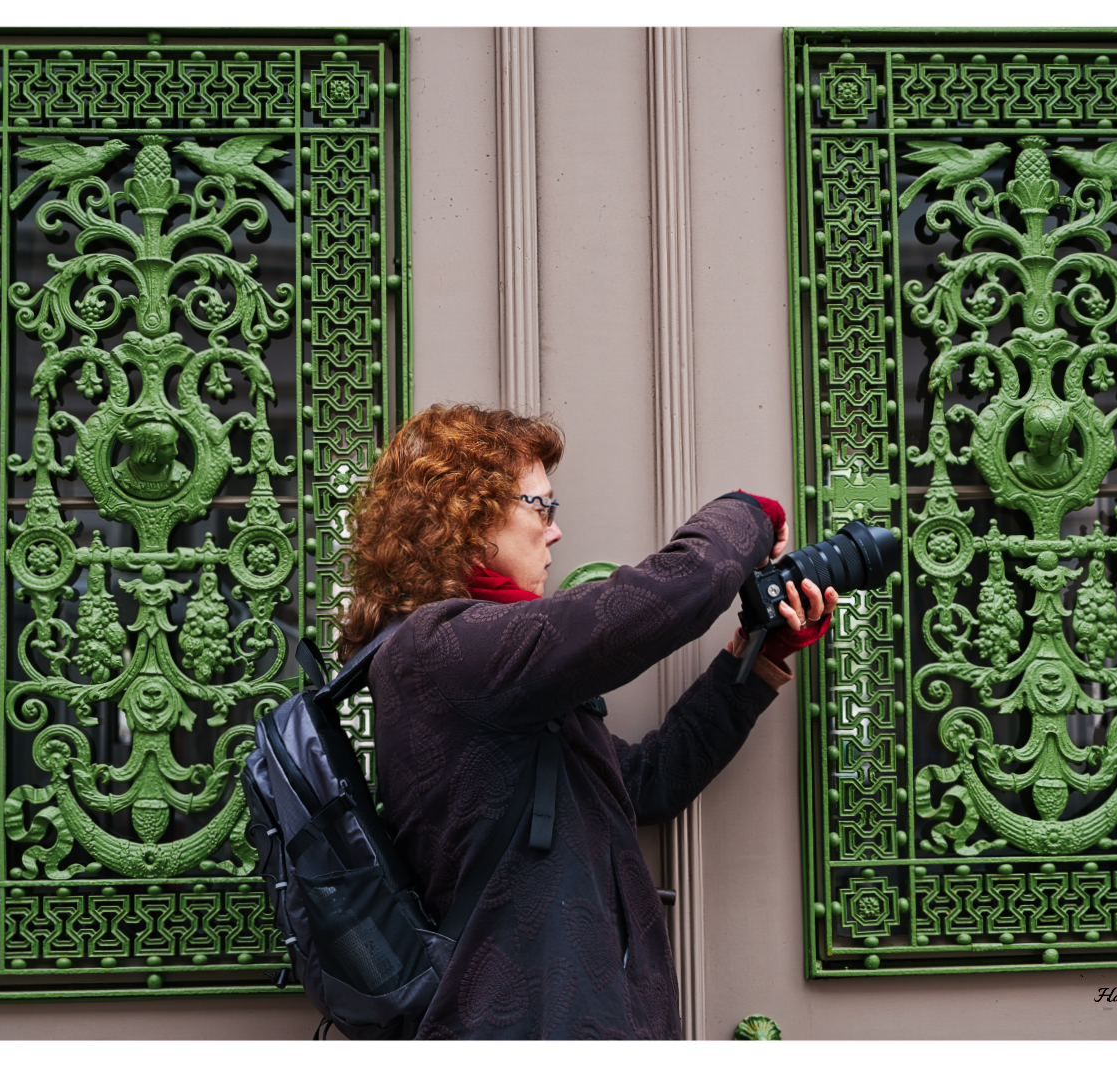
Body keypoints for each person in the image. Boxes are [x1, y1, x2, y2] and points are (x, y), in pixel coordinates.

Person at [338, 404, 836, 1039]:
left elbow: (646, 781)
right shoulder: (446, 649)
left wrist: (759, 655)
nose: (555, 531)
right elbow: (665, 597)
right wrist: (747, 512)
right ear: (463, 516)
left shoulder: (489, 667)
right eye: (539, 506)